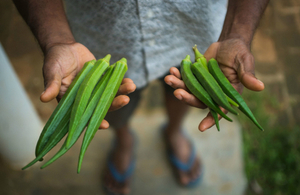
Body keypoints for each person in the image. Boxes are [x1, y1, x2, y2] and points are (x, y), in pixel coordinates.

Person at [13, 0, 268, 194]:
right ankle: (124, 141)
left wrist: (236, 33)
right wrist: (58, 39)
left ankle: (174, 131)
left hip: (193, 31)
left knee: (182, 91)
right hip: (100, 41)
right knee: (116, 105)